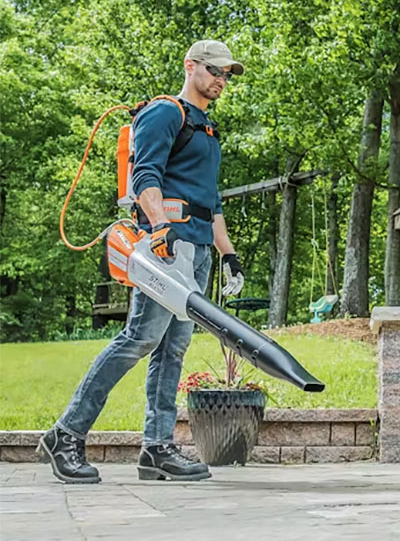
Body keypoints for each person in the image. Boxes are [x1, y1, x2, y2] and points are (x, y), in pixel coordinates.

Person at [39, 40, 246, 484]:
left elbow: (211, 203)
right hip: (166, 245)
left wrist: (228, 254)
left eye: (226, 75)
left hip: (197, 248)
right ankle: (65, 434)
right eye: (214, 71)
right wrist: (158, 229)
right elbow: (144, 175)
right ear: (190, 66)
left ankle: (157, 449)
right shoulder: (165, 113)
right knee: (139, 338)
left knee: (172, 349)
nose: (220, 80)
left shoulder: (207, 129)